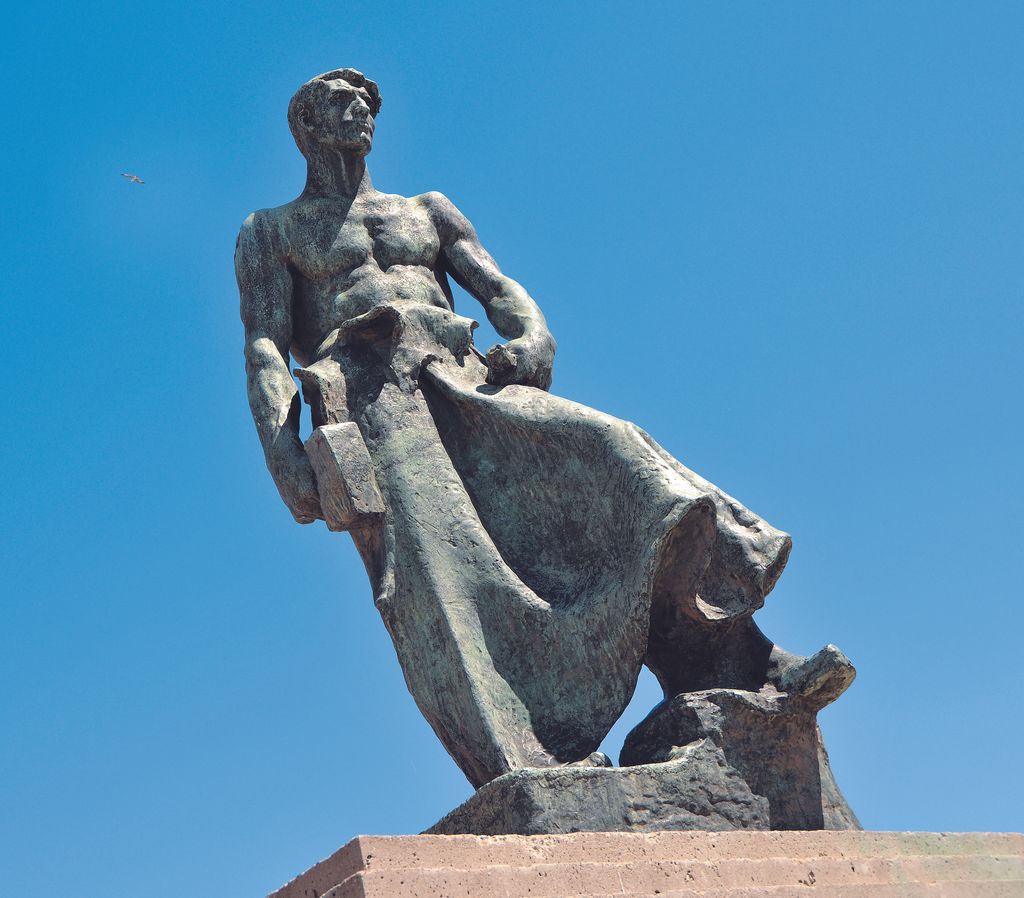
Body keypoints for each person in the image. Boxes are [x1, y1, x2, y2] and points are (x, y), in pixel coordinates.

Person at [236, 69, 850, 790]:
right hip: (379, 405)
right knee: (441, 581)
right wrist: (282, 449)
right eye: (343, 105)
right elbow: (265, 343)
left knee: (621, 459)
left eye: (368, 104)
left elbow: (496, 288)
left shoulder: (424, 211)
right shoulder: (272, 231)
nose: (363, 114)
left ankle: (752, 667)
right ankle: (531, 755)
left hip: (470, 373)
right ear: (307, 126)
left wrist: (532, 332)